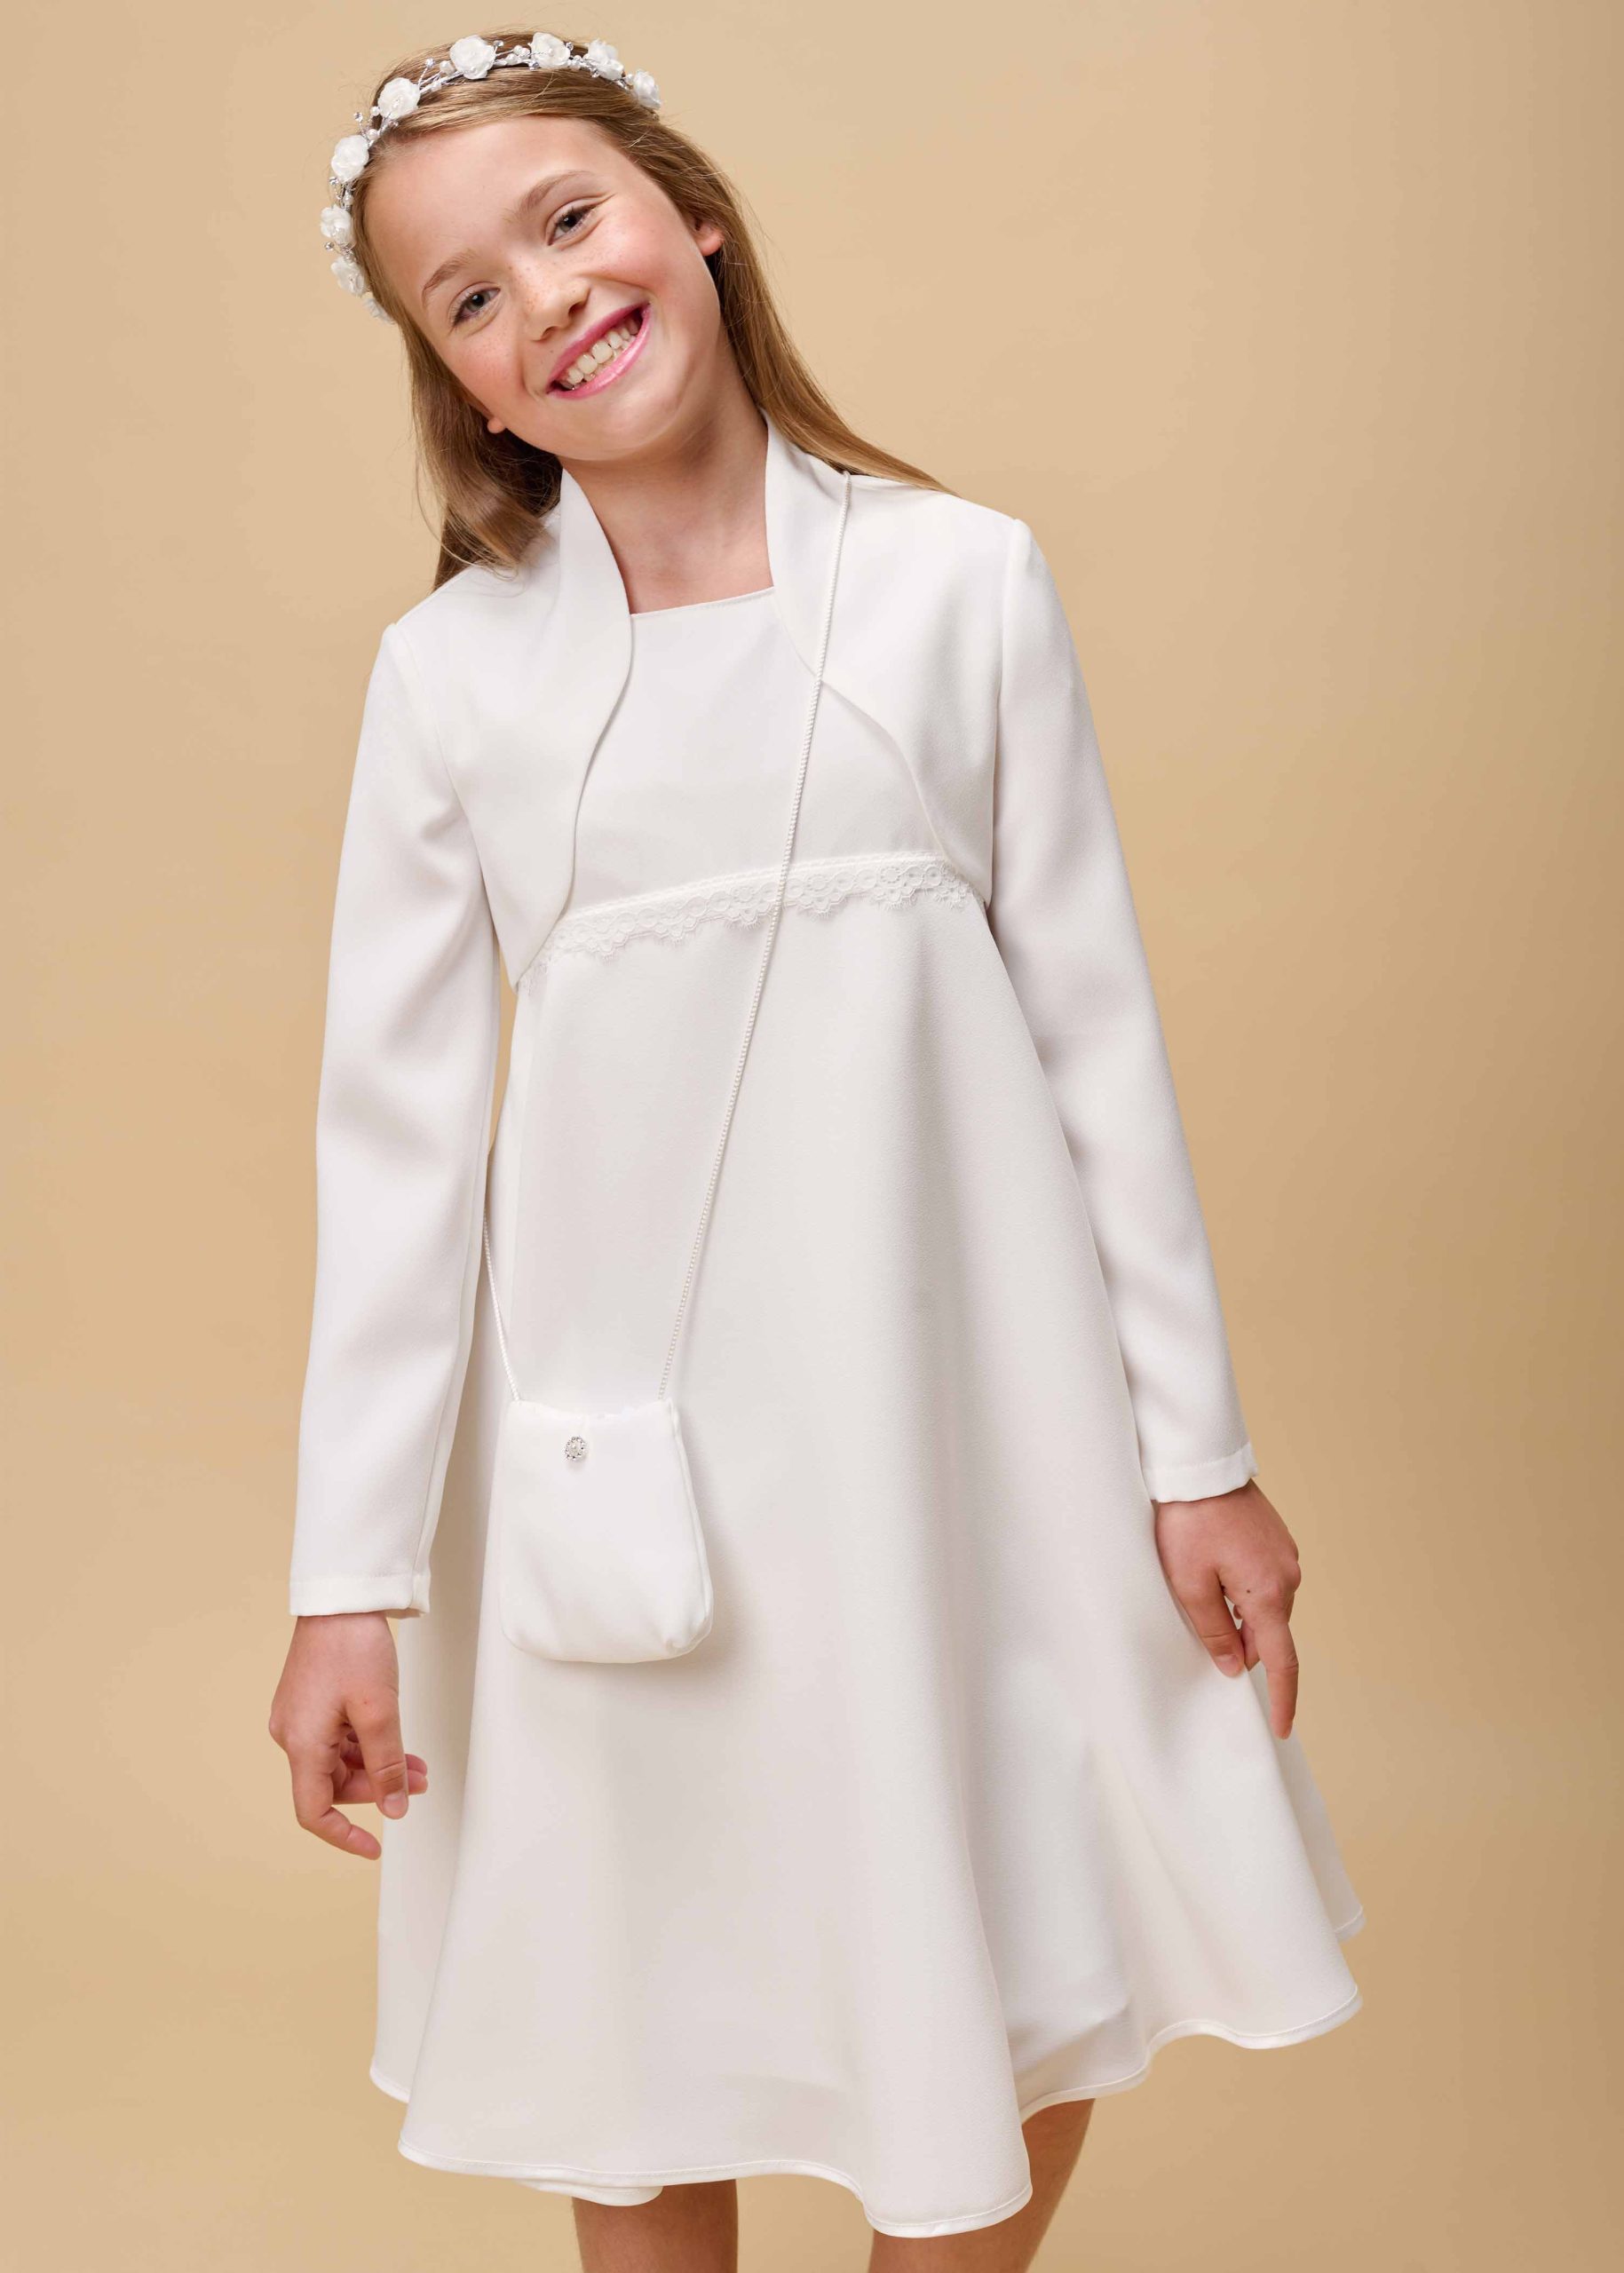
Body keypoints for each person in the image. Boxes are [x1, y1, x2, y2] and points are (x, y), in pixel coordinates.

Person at [267, 30, 1365, 2272]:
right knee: (632, 1957)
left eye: (569, 219)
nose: (547, 297)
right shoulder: (455, 681)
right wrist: (344, 1579)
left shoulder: (964, 583)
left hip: (954, 1420)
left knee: (1012, 1881)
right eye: (469, 295)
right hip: (618, 1448)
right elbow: (394, 1158)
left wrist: (1201, 1453)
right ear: (459, 385)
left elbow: (1096, 1038)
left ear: (695, 216)